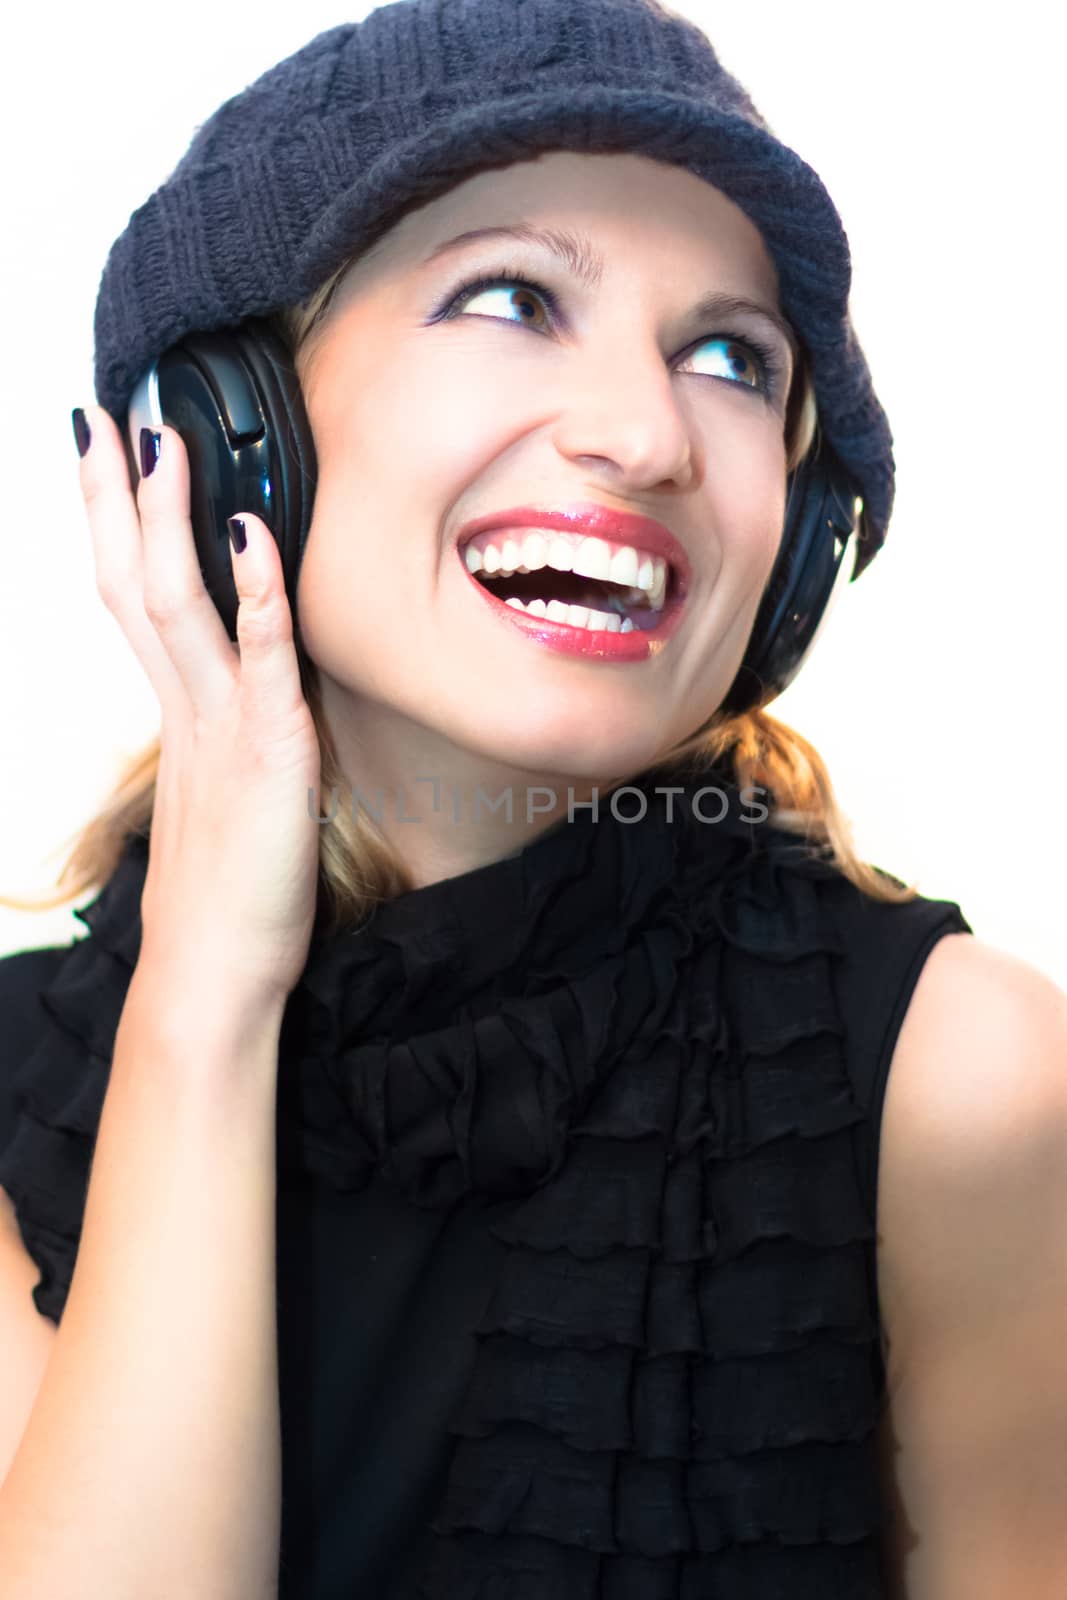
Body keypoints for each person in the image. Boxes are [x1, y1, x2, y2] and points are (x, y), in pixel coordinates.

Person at [1, 0, 1065, 1595]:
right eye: (512, 296)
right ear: (234, 440)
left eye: (731, 357)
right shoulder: (21, 1085)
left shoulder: (966, 1085)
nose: (646, 438)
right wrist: (208, 998)